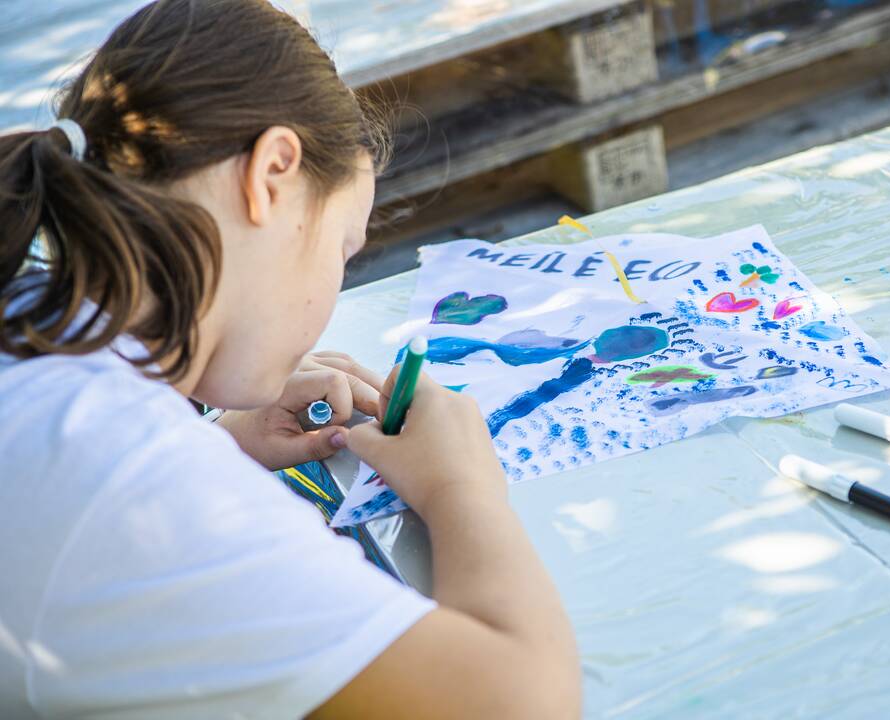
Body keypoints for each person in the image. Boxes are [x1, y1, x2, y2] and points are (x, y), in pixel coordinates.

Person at [0, 1, 580, 717]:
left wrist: (216, 448)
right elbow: (523, 703)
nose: (332, 286)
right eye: (342, 248)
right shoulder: (127, 480)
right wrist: (462, 487)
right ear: (270, 174)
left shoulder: (32, 309)